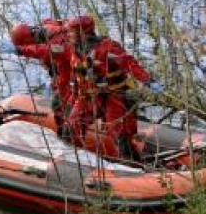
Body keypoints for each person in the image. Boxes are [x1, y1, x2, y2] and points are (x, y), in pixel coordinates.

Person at [64, 14, 158, 161]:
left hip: (112, 96)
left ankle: (133, 164)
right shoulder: (74, 50)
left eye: (71, 32)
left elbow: (128, 63)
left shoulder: (107, 47)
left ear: (82, 33)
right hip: (87, 97)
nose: (68, 35)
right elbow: (77, 78)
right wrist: (73, 98)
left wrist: (147, 80)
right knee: (72, 126)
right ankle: (75, 159)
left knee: (119, 133)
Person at [4, 19, 73, 133]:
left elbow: (53, 50)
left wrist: (22, 50)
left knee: (59, 103)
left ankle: (69, 132)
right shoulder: (48, 27)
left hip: (73, 72)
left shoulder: (55, 40)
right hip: (66, 70)